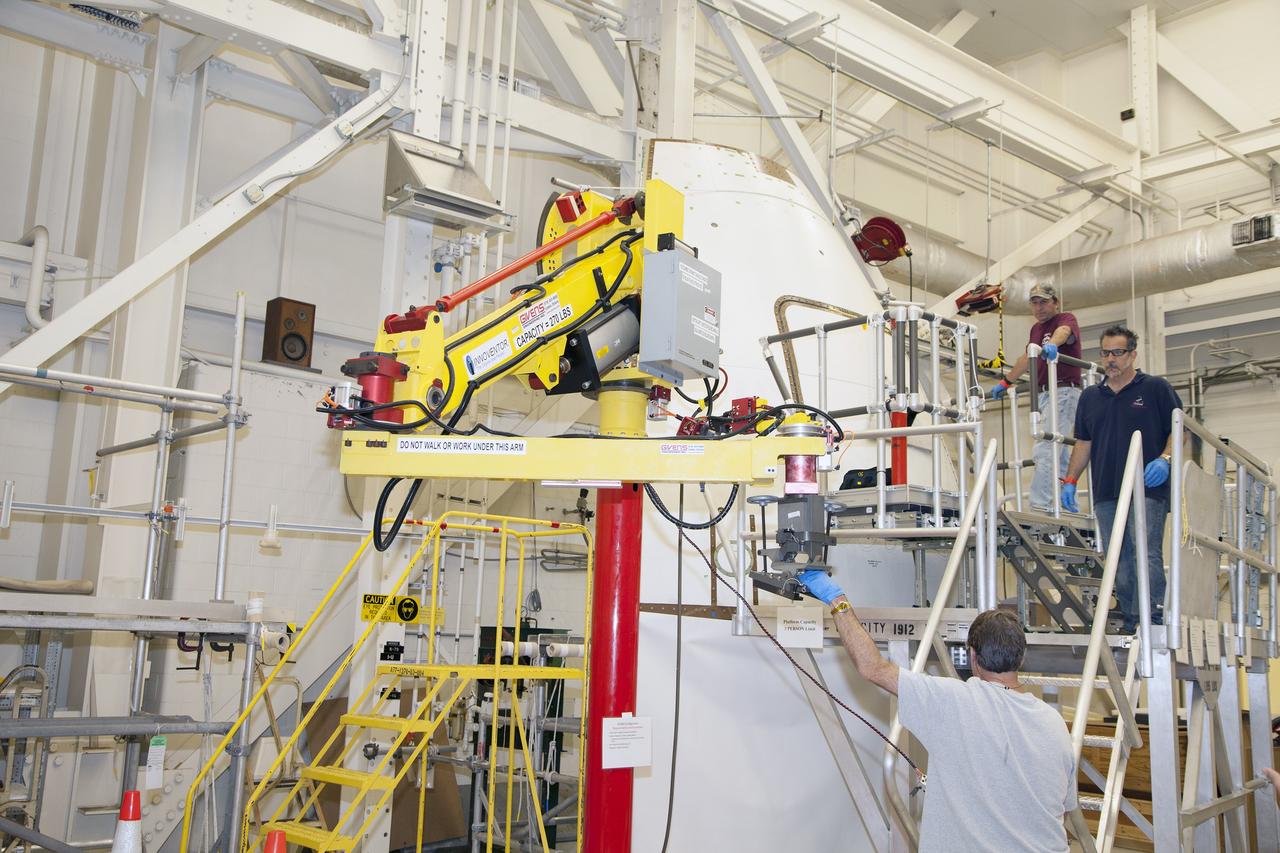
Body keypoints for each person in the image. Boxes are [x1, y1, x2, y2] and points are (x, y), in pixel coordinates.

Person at [798, 569, 1078, 853]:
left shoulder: (953, 701)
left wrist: (837, 600)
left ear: (973, 655)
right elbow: (1062, 812)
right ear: (1021, 657)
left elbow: (873, 667)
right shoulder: (1054, 723)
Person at [1061, 324, 1182, 635]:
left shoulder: (1155, 388)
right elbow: (1084, 442)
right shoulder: (1090, 397)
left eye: (1117, 352)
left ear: (1132, 355)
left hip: (1148, 487)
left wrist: (1165, 460)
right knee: (1119, 557)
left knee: (1145, 550)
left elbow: (1181, 430)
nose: (1110, 359)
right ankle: (1131, 618)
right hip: (1106, 491)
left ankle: (1154, 616)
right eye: (1105, 353)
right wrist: (1071, 479)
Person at [990, 283, 1085, 513]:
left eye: (1044, 301)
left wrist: (1052, 345)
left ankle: (1041, 505)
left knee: (1046, 448)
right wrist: (1007, 380)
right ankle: (1061, 503)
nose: (1039, 307)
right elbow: (1027, 357)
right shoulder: (1035, 329)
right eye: (1034, 302)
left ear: (1055, 302)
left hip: (1062, 391)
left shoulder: (1066, 318)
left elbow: (1064, 332)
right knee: (1058, 451)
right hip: (1045, 394)